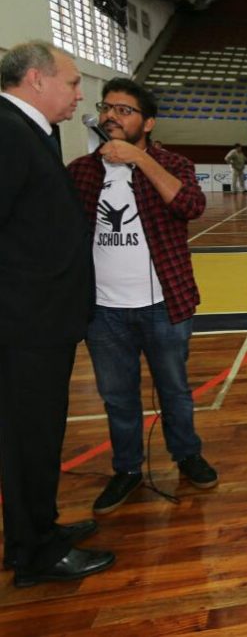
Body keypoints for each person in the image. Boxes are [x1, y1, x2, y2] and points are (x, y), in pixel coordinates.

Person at [68, 78, 218, 516]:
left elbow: (190, 206)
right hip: (103, 311)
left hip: (164, 305)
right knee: (117, 397)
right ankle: (127, 469)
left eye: (124, 110)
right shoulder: (81, 171)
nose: (112, 116)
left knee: (175, 390)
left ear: (148, 123)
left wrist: (139, 160)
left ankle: (187, 455)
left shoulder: (173, 164)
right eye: (107, 107)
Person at [0, 41, 115, 587]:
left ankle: (36, 531)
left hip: (37, 321)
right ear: (36, 79)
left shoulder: (27, 131)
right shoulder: (7, 133)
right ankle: (36, 553)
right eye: (72, 82)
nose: (79, 94)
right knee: (31, 440)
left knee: (38, 436)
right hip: (25, 323)